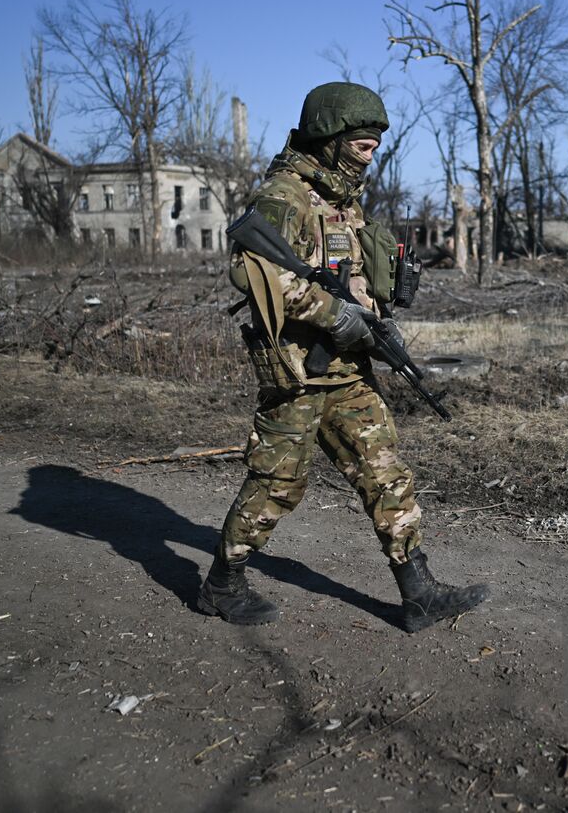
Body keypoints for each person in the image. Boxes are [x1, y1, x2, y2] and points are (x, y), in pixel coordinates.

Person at [199, 81, 490, 632]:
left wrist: (377, 303)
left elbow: (348, 278)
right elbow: (254, 271)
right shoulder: (283, 197)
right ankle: (222, 584)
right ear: (330, 138)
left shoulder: (342, 202)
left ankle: (418, 591)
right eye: (362, 145)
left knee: (386, 472)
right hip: (299, 372)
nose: (371, 155)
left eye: (376, 147)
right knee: (276, 485)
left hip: (348, 368)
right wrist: (332, 315)